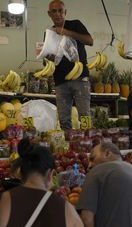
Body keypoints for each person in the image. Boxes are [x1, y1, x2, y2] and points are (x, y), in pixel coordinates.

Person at [47, 0, 93, 130]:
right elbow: (50, 57)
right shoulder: (49, 33)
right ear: (49, 14)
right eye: (54, 11)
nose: (58, 14)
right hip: (60, 81)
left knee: (84, 116)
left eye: (60, 10)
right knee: (64, 119)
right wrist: (47, 56)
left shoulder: (75, 24)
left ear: (65, 12)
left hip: (80, 78)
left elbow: (90, 41)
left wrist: (66, 32)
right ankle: (68, 147)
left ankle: (88, 143)